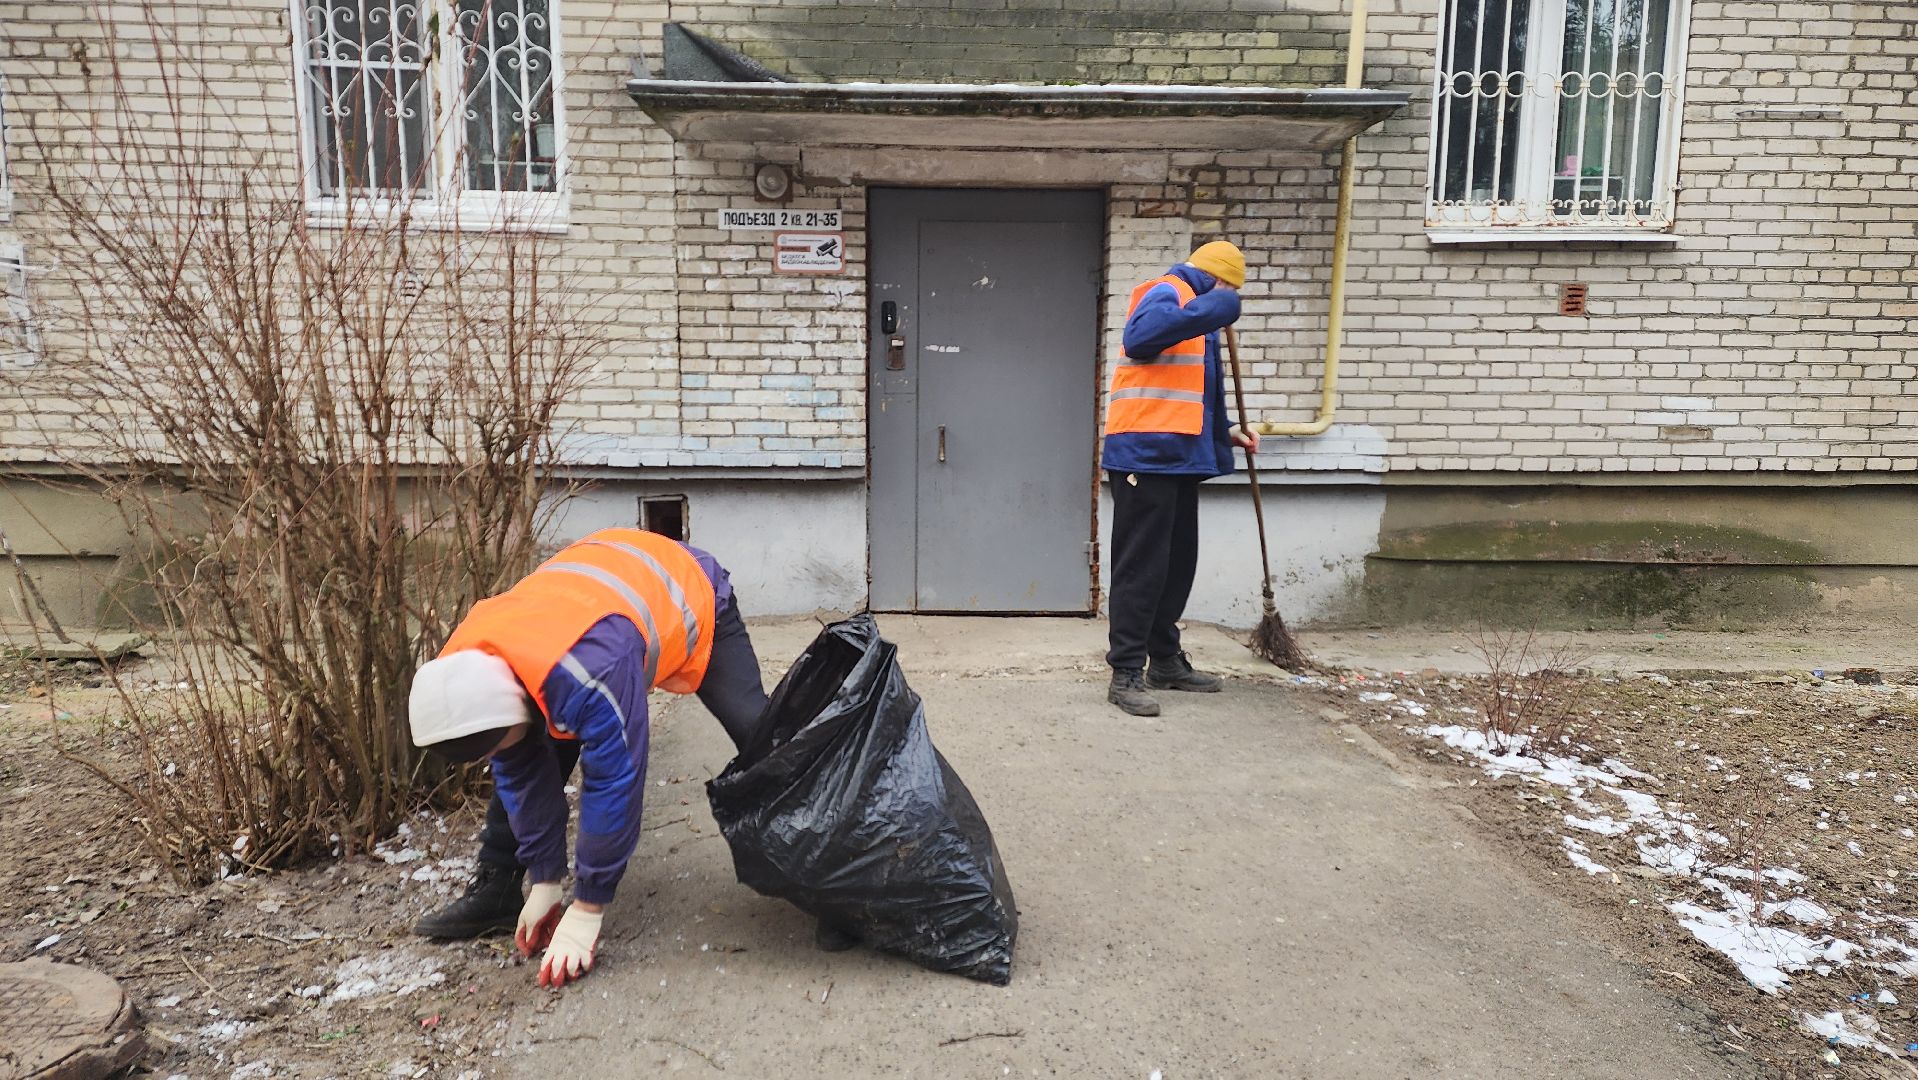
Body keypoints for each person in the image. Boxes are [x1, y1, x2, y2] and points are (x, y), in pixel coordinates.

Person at [406, 528, 769, 987]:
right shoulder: (463, 666)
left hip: (687, 587)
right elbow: (518, 770)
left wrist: (588, 906)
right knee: (528, 749)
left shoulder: (592, 672)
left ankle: (834, 873)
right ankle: (498, 889)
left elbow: (616, 779)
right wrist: (546, 879)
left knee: (759, 733)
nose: (501, 755)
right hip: (581, 610)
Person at [1101, 240, 1260, 717]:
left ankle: (1165, 659)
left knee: (1175, 565)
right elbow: (1141, 337)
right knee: (1141, 567)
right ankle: (1125, 670)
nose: (1230, 300)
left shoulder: (1199, 313)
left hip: (1180, 456)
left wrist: (1225, 431)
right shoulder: (1164, 291)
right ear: (1218, 278)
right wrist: (1219, 305)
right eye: (1230, 288)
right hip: (1144, 455)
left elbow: (1194, 387)